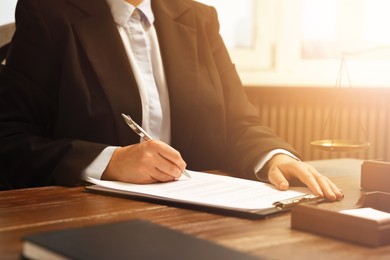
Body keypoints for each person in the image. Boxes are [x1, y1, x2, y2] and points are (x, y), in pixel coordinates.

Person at [0, 0, 343, 201]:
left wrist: (273, 156)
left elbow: (240, 122)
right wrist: (111, 162)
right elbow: (10, 143)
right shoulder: (47, 13)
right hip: (91, 221)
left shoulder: (198, 17)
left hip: (204, 216)